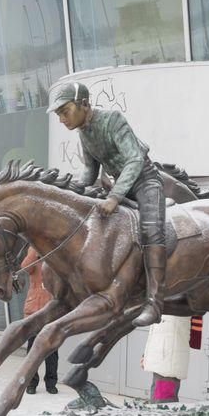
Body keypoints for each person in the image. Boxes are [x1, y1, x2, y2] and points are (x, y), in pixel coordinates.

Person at [49, 81, 166, 327]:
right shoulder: (84, 132)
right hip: (120, 187)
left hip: (145, 182)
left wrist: (113, 197)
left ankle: (155, 303)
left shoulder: (113, 119)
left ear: (84, 104)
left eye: (64, 111)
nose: (61, 119)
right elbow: (90, 170)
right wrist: (76, 195)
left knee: (151, 229)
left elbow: (134, 159)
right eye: (59, 114)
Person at [20, 248, 58, 395]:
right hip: (34, 308)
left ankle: (51, 383)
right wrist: (35, 251)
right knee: (32, 350)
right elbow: (25, 267)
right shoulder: (34, 252)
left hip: (52, 308)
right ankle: (31, 383)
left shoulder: (54, 253)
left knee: (52, 350)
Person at [142, 315, 192, 402]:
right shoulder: (163, 308)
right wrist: (145, 355)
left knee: (162, 405)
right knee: (158, 403)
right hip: (162, 362)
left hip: (167, 363)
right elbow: (157, 334)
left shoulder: (174, 307)